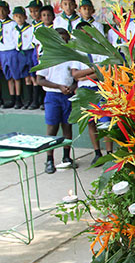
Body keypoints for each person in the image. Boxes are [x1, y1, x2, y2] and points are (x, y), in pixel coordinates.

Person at [37, 28, 78, 174]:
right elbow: (40, 80)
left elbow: (75, 78)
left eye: (65, 39)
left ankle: (66, 157)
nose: (63, 42)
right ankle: (49, 159)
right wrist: (58, 86)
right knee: (52, 128)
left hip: (67, 96)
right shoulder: (47, 56)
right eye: (60, 39)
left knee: (67, 127)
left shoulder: (72, 56)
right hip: (53, 96)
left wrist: (72, 87)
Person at [72, 21, 113, 165]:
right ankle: (97, 152)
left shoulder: (100, 49)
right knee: (91, 123)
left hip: (101, 88)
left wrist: (85, 75)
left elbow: (106, 70)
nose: (86, 36)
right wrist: (94, 69)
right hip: (85, 91)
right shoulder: (76, 52)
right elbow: (76, 75)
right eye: (82, 34)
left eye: (88, 33)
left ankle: (109, 153)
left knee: (106, 122)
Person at [8, 6, 34, 109]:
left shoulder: (30, 28)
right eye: (16, 16)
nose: (19, 19)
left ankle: (34, 100)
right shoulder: (14, 30)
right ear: (13, 18)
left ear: (25, 17)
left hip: (29, 53)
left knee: (33, 77)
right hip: (19, 54)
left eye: (21, 16)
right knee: (26, 78)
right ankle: (27, 100)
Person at [31, 5, 55, 110]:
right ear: (41, 17)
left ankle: (47, 101)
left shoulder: (55, 28)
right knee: (40, 78)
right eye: (44, 15)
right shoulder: (39, 29)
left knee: (49, 78)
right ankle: (40, 101)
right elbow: (37, 45)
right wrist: (37, 57)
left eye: (49, 15)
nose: (46, 17)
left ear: (53, 16)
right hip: (41, 56)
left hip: (52, 56)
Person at [0, 0, 17, 108]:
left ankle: (15, 98)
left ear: (8, 11)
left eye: (4, 10)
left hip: (11, 51)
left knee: (14, 76)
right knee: (7, 77)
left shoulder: (13, 24)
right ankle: (6, 99)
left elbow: (16, 39)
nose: (1, 12)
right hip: (1, 52)